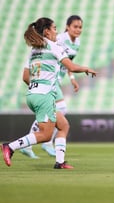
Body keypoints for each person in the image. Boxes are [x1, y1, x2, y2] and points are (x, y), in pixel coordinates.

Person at [1, 17, 97, 169]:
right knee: (46, 135)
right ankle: (10, 146)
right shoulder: (54, 46)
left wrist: (38, 87)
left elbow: (25, 77)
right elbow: (70, 65)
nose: (56, 32)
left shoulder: (34, 50)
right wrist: (86, 68)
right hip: (44, 95)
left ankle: (60, 162)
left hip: (33, 94)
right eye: (54, 28)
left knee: (64, 125)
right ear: (47, 31)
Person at [20, 15, 83, 159]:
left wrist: (72, 78)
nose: (78, 30)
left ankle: (36, 143)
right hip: (49, 81)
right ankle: (43, 142)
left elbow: (66, 62)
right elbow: (47, 55)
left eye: (80, 27)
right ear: (67, 27)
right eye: (75, 26)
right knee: (61, 111)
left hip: (56, 80)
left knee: (57, 112)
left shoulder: (77, 43)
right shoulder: (58, 39)